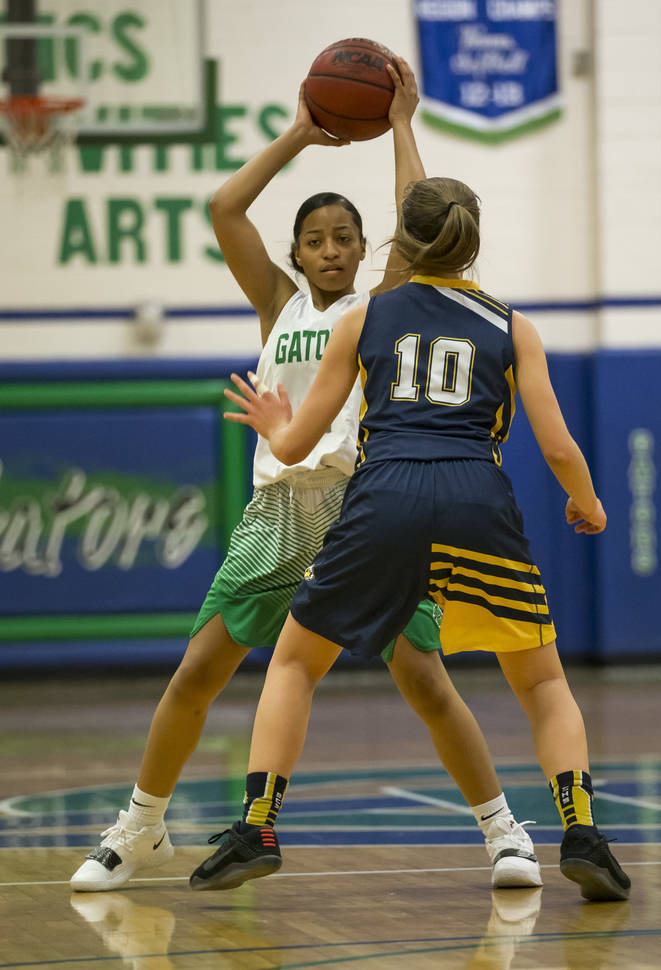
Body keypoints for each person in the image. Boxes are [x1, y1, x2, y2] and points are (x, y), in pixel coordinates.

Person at [70, 63, 540, 894]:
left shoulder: (386, 305)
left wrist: (398, 124)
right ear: (297, 252)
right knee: (198, 672)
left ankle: (504, 832)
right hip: (281, 511)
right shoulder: (277, 304)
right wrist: (300, 131)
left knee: (425, 681)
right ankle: (140, 825)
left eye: (343, 240)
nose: (329, 250)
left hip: (367, 507)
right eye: (315, 240)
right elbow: (223, 208)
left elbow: (418, 219)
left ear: (367, 250)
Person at [190, 175, 632, 904]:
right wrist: (586, 503)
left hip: (384, 494)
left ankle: (256, 827)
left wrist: (273, 424)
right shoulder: (512, 325)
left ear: (398, 245)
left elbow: (297, 443)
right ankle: (580, 832)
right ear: (471, 243)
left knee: (295, 664)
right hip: (475, 497)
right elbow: (556, 447)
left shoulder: (364, 318)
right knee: (543, 680)